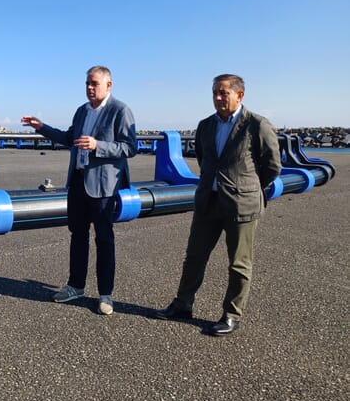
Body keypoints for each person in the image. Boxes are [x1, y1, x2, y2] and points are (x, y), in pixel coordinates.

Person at [152, 74, 282, 336]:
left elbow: (272, 166)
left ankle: (232, 314)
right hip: (208, 201)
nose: (218, 98)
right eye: (214, 93)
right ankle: (183, 304)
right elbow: (203, 158)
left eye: (223, 93)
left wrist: (249, 188)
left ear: (239, 95)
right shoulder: (205, 125)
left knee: (238, 264)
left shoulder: (257, 125)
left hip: (240, 204)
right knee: (195, 256)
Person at [21, 66, 136, 315]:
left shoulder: (120, 110)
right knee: (78, 236)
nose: (89, 88)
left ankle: (106, 295)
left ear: (109, 85)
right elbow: (68, 138)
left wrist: (98, 145)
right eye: (87, 83)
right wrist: (41, 127)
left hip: (104, 186)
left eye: (94, 83)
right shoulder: (81, 111)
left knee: (104, 239)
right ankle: (75, 286)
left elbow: (129, 147)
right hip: (78, 181)